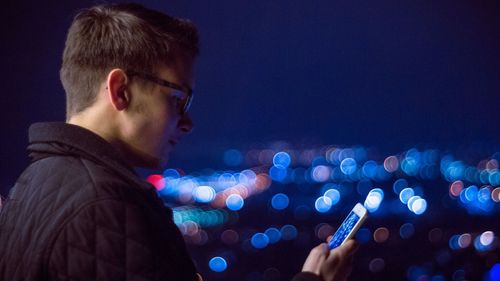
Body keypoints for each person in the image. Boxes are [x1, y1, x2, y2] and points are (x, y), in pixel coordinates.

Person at [0, 3, 358, 281]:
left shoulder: (34, 183)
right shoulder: (105, 205)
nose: (187, 123)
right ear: (120, 90)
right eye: (178, 99)